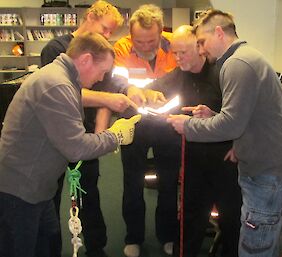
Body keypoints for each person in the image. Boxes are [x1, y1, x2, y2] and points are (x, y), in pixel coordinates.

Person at [167, 9, 282, 257]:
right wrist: (212, 116)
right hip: (275, 172)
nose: (202, 50)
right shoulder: (247, 57)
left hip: (268, 178)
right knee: (266, 243)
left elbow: (232, 126)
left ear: (219, 33)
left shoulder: (236, 65)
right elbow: (246, 118)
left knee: (254, 250)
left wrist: (188, 126)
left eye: (202, 42)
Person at [0, 32, 141, 257]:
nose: (101, 78)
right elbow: (76, 148)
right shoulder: (57, 84)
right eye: (102, 71)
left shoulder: (62, 78)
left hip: (37, 188)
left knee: (48, 244)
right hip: (20, 191)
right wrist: (117, 135)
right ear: (85, 60)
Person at [40, 2, 143, 257]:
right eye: (105, 28)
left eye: (111, 33)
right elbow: (70, 94)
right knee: (49, 195)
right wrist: (108, 100)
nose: (106, 36)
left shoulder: (103, 52)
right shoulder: (56, 49)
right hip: (55, 135)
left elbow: (109, 85)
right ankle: (50, 248)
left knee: (89, 193)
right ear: (89, 17)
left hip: (86, 135)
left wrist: (124, 93)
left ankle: (96, 247)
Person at [147, 25, 241, 257]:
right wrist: (147, 94)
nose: (177, 58)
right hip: (194, 161)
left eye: (183, 52)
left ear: (200, 48)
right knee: (190, 222)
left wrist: (239, 144)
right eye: (174, 52)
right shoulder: (178, 75)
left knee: (232, 222)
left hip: (227, 160)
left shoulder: (223, 73)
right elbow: (150, 89)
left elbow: (244, 114)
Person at [113, 4, 178, 257]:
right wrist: (133, 90)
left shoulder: (175, 45)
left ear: (162, 32)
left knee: (169, 182)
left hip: (168, 123)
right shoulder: (121, 47)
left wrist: (155, 89)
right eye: (139, 40)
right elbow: (117, 80)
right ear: (131, 34)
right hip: (134, 123)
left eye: (151, 40)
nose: (145, 46)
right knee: (132, 183)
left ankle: (168, 235)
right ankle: (133, 237)